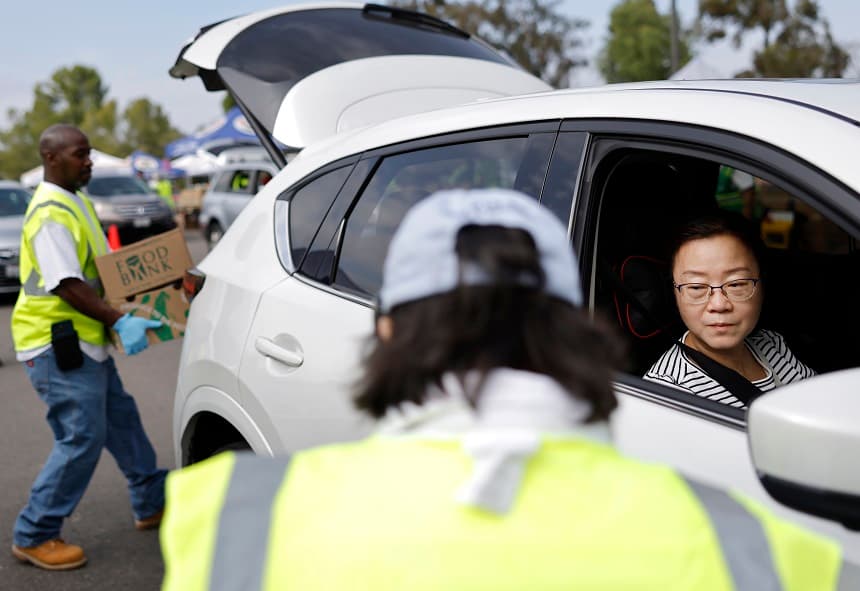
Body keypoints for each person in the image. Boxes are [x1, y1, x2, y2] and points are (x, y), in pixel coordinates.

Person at [160, 189, 842, 590]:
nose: (718, 301)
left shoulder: (226, 520)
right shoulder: (744, 540)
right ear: (575, 328)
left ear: (390, 330)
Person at [10, 124, 168, 570]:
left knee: (122, 421)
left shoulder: (72, 200)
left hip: (82, 341)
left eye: (89, 153)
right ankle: (35, 533)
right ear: (51, 158)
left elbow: (96, 273)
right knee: (82, 437)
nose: (89, 161)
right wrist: (120, 320)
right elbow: (66, 285)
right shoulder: (50, 214)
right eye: (80, 154)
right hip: (57, 343)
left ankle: (150, 501)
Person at [645, 211, 815, 407]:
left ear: (762, 284)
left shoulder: (772, 344)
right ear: (674, 293)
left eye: (736, 284)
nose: (718, 305)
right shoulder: (666, 394)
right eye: (696, 287)